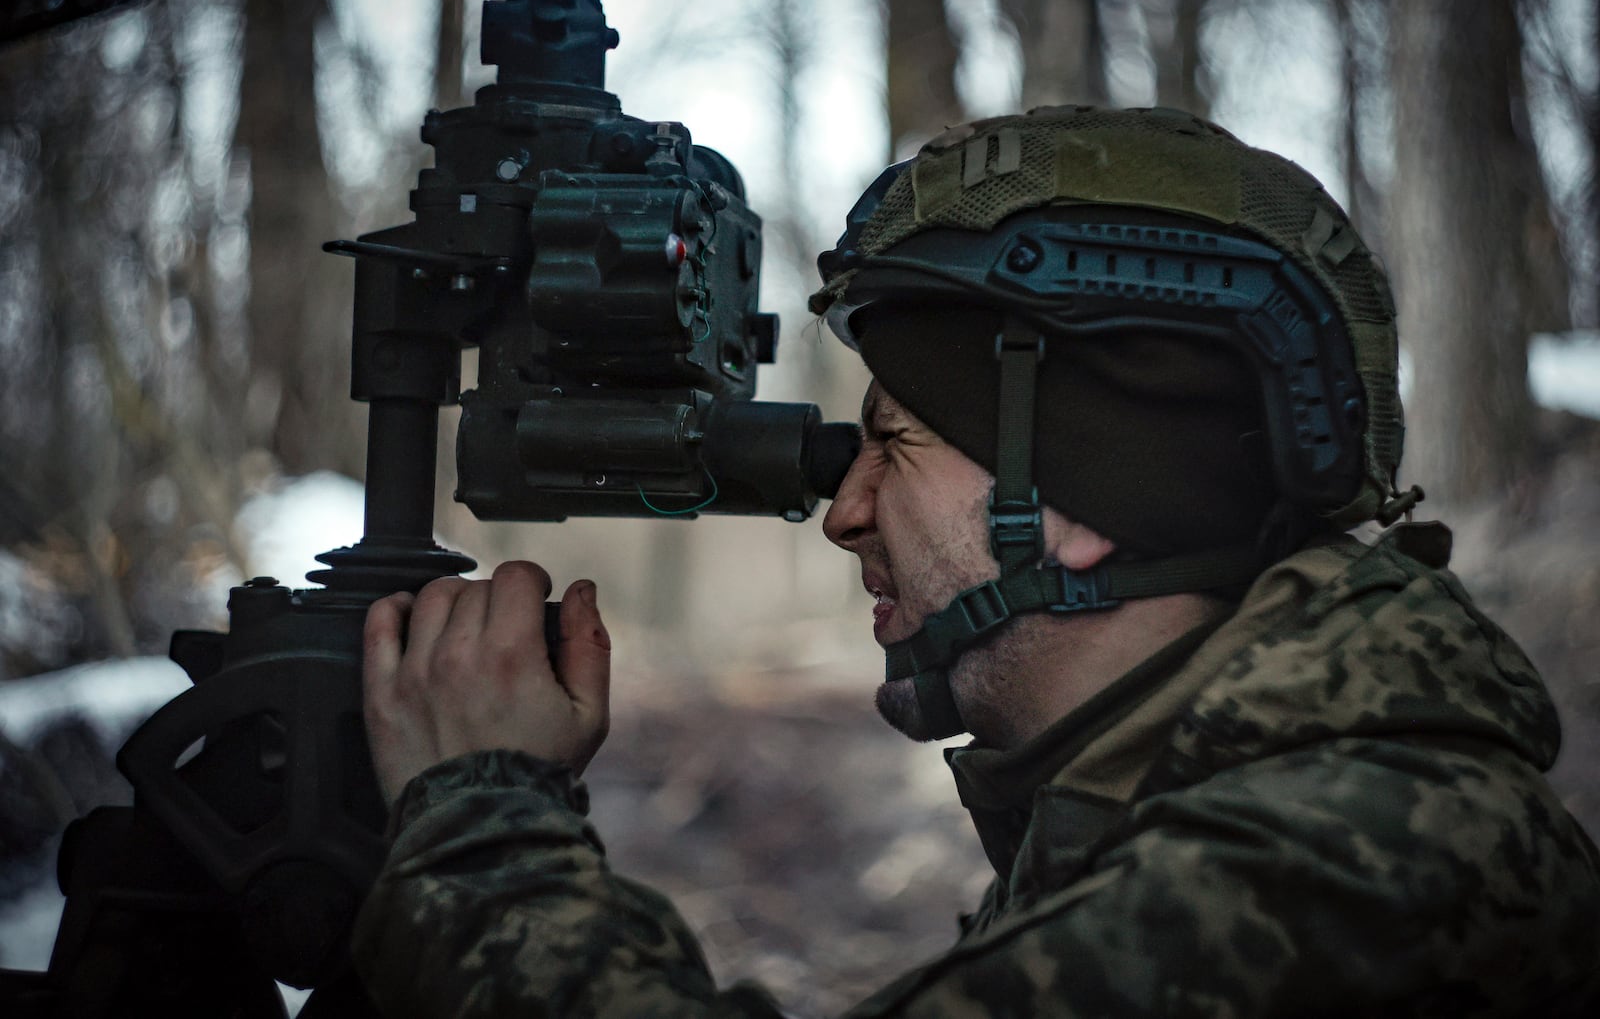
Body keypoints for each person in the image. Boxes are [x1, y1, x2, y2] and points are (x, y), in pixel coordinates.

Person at [353, 106, 1600, 1016]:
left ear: (1082, 503)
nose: (844, 511)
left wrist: (482, 817)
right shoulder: (1179, 789)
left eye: (894, 440)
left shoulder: (1354, 861)